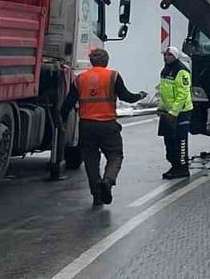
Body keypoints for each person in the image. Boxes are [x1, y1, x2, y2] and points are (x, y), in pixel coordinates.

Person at [60, 48, 147, 206]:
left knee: (91, 160)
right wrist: (140, 95)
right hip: (107, 125)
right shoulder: (113, 76)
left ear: (92, 61)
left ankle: (97, 196)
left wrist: (62, 121)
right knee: (115, 156)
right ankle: (108, 180)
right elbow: (127, 97)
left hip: (86, 125)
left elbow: (68, 104)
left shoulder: (80, 79)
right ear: (106, 61)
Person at [158, 46, 194, 180]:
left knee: (180, 141)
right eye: (165, 55)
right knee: (169, 140)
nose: (166, 57)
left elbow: (183, 94)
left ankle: (182, 168)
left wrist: (174, 112)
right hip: (168, 112)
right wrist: (161, 108)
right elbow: (164, 91)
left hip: (181, 112)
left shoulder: (182, 71)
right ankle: (174, 165)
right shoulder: (165, 71)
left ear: (176, 56)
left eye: (169, 55)